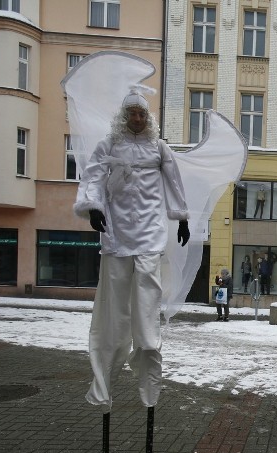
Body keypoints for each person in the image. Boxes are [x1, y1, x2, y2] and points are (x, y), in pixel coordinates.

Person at [73, 88, 190, 411]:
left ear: (147, 117)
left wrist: (181, 218)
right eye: (131, 115)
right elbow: (93, 175)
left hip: (149, 230)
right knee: (115, 301)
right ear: (124, 119)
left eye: (141, 114)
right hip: (117, 231)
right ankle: (108, 363)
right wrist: (93, 207)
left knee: (147, 296)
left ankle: (148, 351)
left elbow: (175, 183)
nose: (137, 119)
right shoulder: (109, 145)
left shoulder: (159, 147)